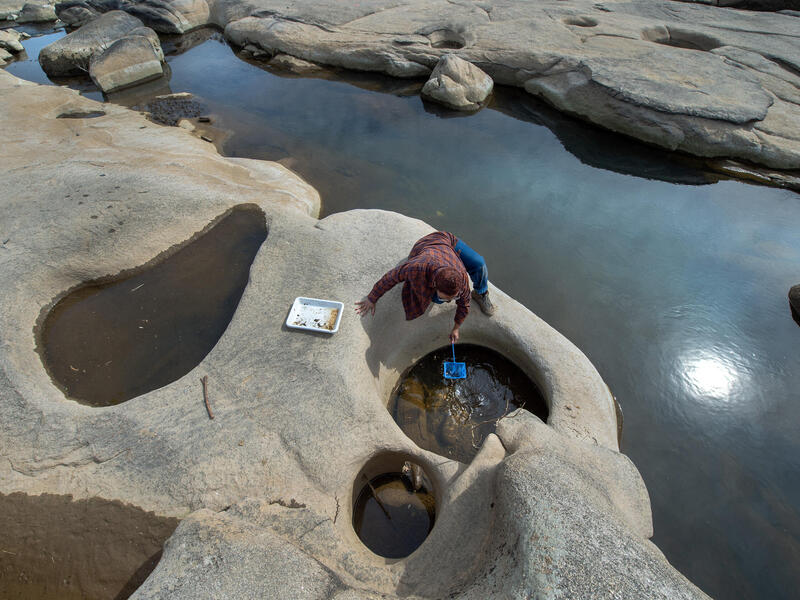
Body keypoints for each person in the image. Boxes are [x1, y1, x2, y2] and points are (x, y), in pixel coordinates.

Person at [355, 231, 495, 342]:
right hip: (425, 247)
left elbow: (464, 304)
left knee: (479, 263)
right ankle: (439, 295)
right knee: (437, 299)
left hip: (445, 242)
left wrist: (456, 328)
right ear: (434, 284)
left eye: (453, 297)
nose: (450, 301)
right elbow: (390, 278)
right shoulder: (417, 267)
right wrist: (372, 298)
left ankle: (481, 293)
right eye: (448, 298)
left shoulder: (461, 280)